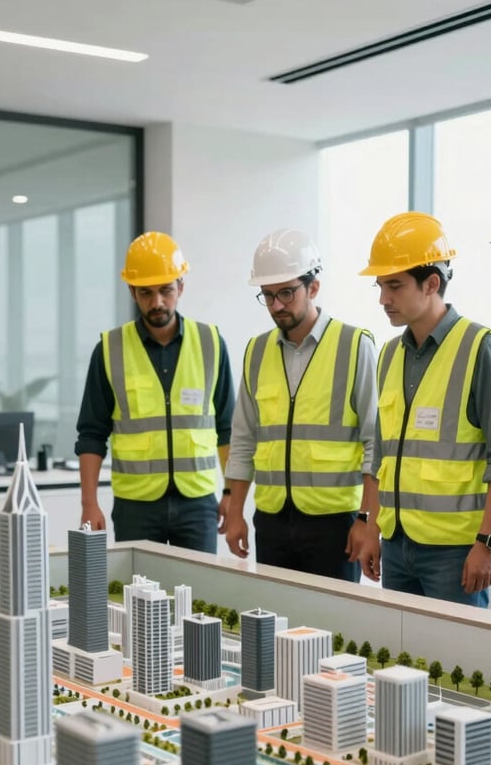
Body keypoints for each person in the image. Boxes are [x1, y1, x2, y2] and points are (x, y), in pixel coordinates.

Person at [358, 212, 491, 607]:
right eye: (380, 286)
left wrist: (487, 543)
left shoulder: (480, 347)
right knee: (402, 665)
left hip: (455, 553)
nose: (384, 298)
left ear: (432, 283)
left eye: (394, 285)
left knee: (460, 663)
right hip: (397, 547)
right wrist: (370, 527)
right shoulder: (388, 355)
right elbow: (383, 455)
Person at [223, 229, 378, 582]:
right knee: (275, 629)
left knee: (334, 630)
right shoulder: (256, 351)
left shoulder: (354, 346)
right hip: (272, 520)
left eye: (287, 293)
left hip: (336, 523)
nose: (277, 305)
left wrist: (367, 520)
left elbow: (375, 443)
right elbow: (244, 438)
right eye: (268, 296)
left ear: (313, 287)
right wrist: (235, 512)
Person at [75, 231, 235, 552]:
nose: (157, 302)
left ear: (181, 287)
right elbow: (91, 434)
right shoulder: (109, 350)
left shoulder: (210, 343)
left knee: (199, 596)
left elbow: (228, 429)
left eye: (166, 290)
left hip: (197, 502)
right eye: (146, 293)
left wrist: (231, 493)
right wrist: (89, 504)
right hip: (136, 505)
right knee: (137, 598)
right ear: (133, 292)